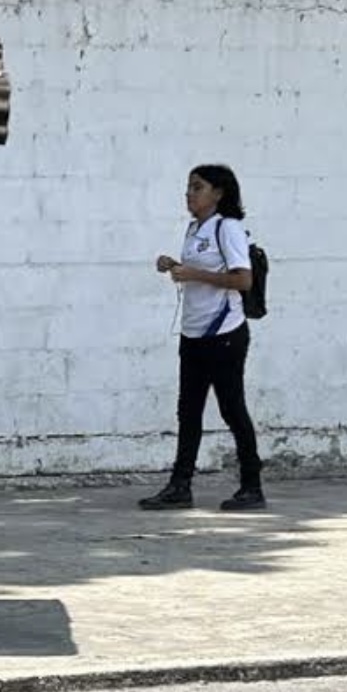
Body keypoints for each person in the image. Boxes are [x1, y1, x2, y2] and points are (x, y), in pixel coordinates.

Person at [139, 164, 265, 511]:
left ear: (218, 193)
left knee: (231, 409)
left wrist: (193, 273)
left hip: (223, 334)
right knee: (188, 411)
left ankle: (252, 486)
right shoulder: (196, 228)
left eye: (198, 187)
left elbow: (242, 280)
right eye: (188, 187)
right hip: (194, 333)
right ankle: (180, 486)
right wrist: (174, 265)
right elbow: (202, 272)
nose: (189, 194)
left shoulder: (228, 228)